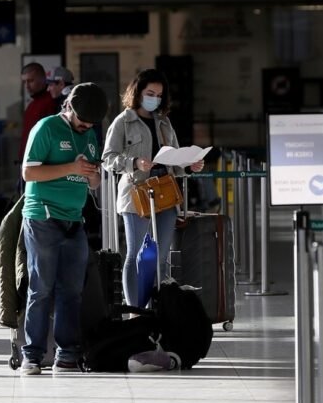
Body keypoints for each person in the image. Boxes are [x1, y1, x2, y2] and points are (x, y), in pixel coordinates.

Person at [19, 82, 108, 375]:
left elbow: (93, 182)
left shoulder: (91, 134)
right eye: (82, 123)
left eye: (90, 125)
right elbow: (29, 172)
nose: (85, 128)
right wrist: (70, 167)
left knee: (72, 291)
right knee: (41, 288)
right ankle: (32, 355)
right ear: (68, 107)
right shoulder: (46, 128)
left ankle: (67, 354)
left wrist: (92, 175)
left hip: (74, 219)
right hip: (43, 217)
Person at [102, 69, 204, 308]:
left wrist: (189, 165)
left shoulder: (163, 122)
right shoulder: (123, 121)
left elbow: (175, 157)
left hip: (166, 193)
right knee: (136, 254)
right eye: (150, 93)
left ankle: (156, 309)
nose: (154, 99)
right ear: (137, 93)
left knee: (160, 255)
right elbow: (107, 158)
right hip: (136, 193)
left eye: (159, 95)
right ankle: (135, 309)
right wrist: (134, 162)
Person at [20, 62, 56, 155]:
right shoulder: (31, 105)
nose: (27, 86)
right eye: (24, 82)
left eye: (31, 81)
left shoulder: (50, 102)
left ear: (43, 80)